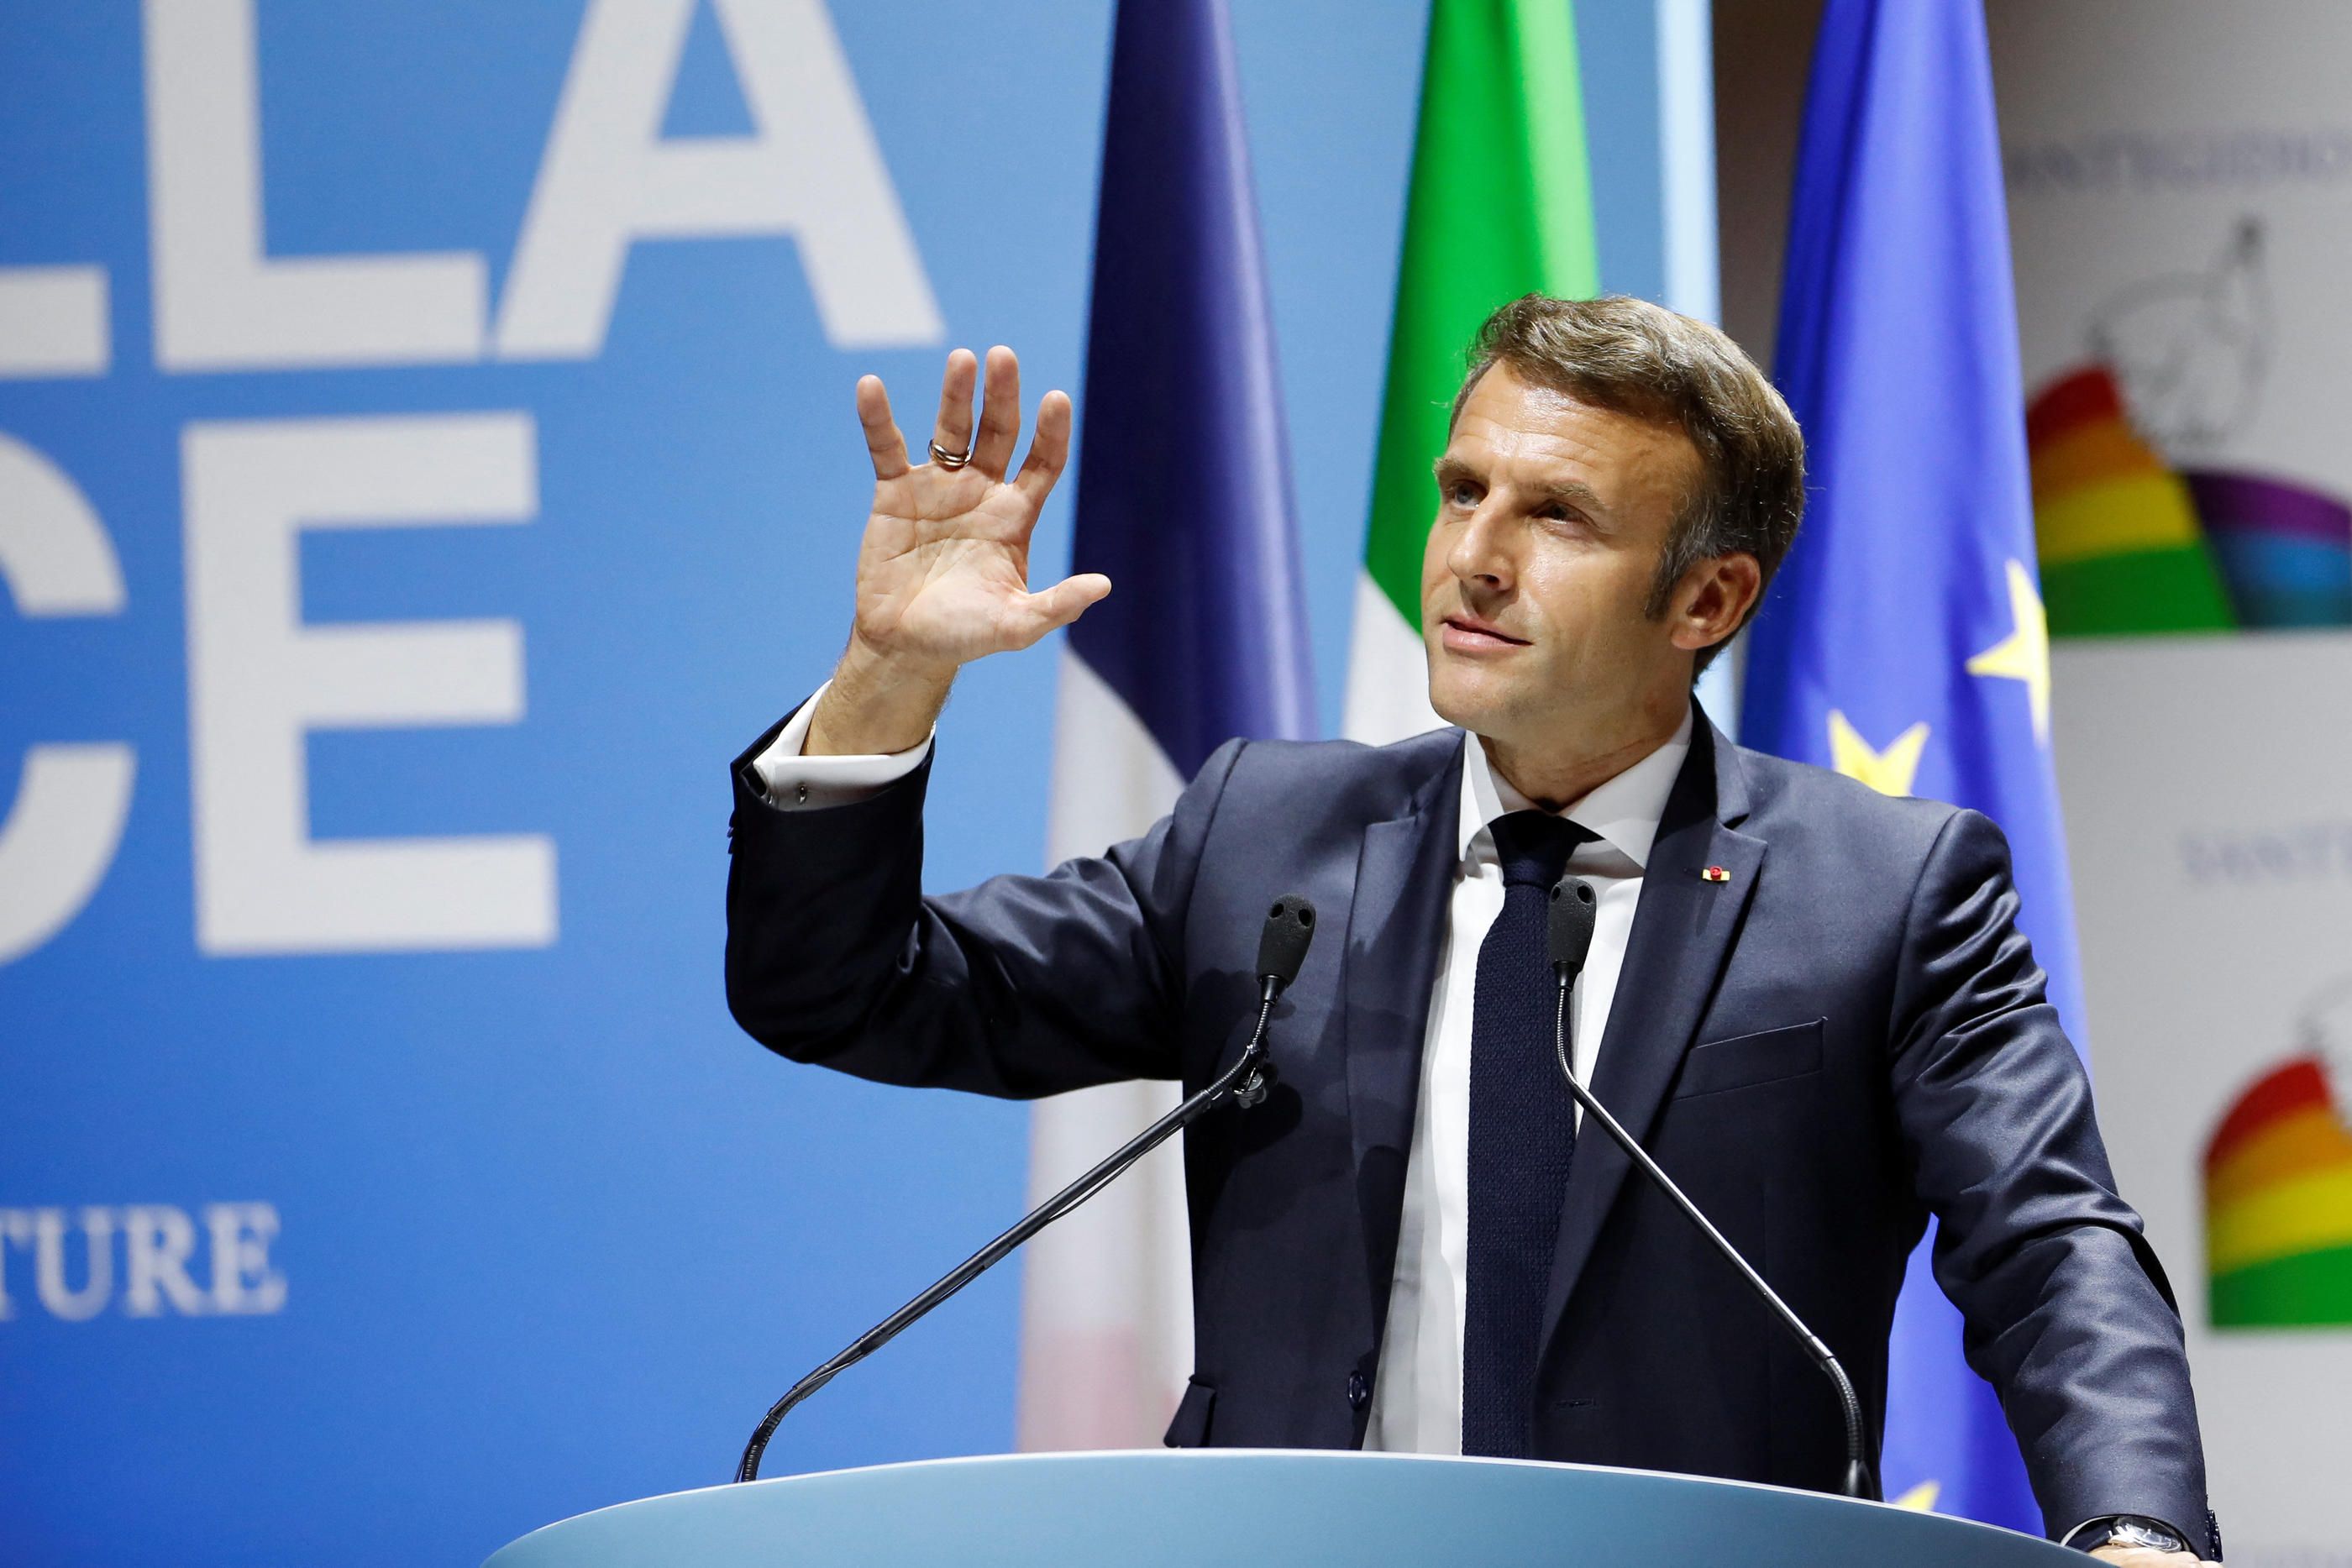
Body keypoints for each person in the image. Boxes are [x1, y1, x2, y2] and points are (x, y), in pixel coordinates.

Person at [723, 295, 2218, 1564]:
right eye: (1462, 491)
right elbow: (849, 992)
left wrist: (2136, 1531)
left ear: (1708, 598)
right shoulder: (1263, 837)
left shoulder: (1884, 890)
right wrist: (887, 675)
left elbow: (2050, 1248)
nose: (1475, 557)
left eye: (1556, 515)